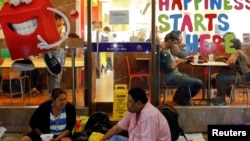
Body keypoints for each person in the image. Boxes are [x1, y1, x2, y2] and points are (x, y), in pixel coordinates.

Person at [99, 88, 171, 141]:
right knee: (114, 138)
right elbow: (118, 128)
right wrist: (101, 140)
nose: (126, 103)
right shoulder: (133, 111)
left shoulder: (149, 115)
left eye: (129, 101)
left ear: (138, 103)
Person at [160, 31, 203, 106]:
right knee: (199, 83)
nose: (175, 45)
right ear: (169, 41)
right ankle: (183, 100)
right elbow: (168, 69)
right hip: (172, 78)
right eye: (174, 43)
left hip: (175, 75)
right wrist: (178, 62)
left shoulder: (166, 50)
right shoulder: (164, 53)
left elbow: (169, 64)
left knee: (193, 77)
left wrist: (176, 61)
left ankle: (178, 98)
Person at [210, 38, 250, 106]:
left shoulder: (236, 52)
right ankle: (225, 94)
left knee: (220, 78)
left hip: (243, 78)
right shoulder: (240, 52)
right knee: (216, 76)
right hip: (245, 76)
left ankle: (222, 100)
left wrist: (226, 59)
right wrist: (225, 58)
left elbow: (231, 62)